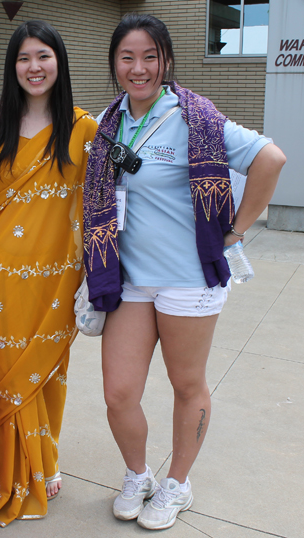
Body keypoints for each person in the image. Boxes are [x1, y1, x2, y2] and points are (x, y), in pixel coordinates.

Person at [83, 13, 286, 531]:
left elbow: (271, 159)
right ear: (114, 64)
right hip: (129, 280)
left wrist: (236, 231)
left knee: (186, 384)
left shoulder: (195, 116)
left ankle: (177, 485)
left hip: (187, 281)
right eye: (127, 57)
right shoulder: (109, 123)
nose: (139, 68)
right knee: (119, 392)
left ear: (166, 60)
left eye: (150, 56)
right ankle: (138, 475)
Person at [0, 20, 98, 527]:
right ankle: (6, 468)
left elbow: (99, 207)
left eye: (43, 56)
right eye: (24, 58)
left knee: (46, 367)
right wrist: (4, 211)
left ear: (59, 62)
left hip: (56, 274)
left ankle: (43, 460)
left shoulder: (85, 128)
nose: (34, 67)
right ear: (12, 67)